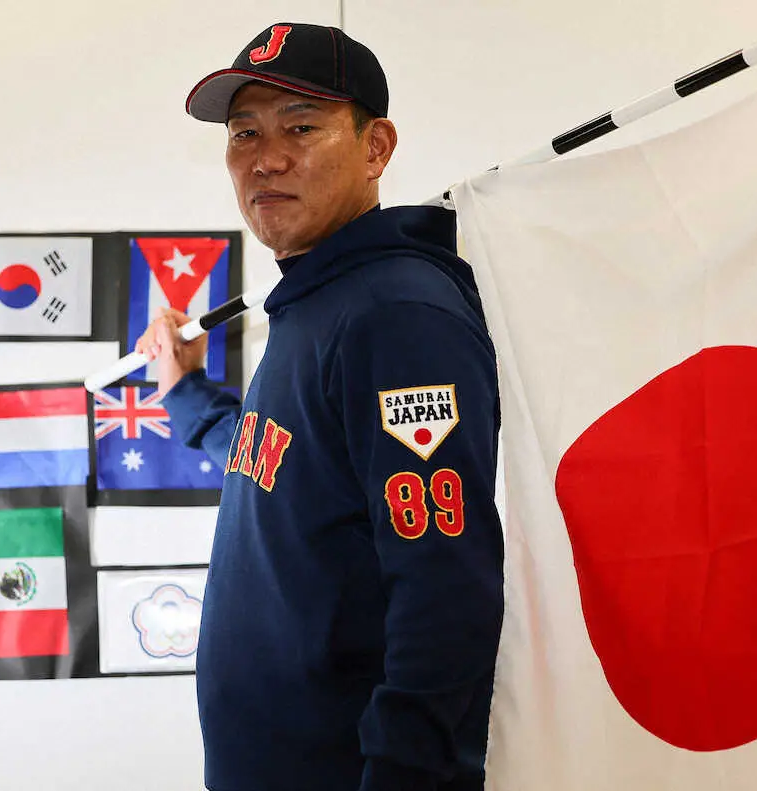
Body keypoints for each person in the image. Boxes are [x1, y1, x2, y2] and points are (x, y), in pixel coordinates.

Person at [135, 22, 505, 791]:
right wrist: (184, 391)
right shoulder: (317, 303)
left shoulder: (394, 314)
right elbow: (278, 462)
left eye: (300, 127)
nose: (265, 158)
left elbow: (446, 587)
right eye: (244, 133)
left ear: (376, 148)